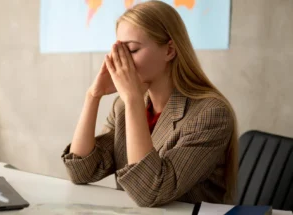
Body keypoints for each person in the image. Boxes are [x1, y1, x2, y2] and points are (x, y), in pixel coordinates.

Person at [62, 1, 238, 207]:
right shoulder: (124, 106)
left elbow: (150, 192)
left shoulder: (211, 114)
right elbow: (81, 171)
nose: (122, 61)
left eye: (132, 50)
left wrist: (133, 99)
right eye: (120, 51)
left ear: (169, 50)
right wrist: (93, 95)